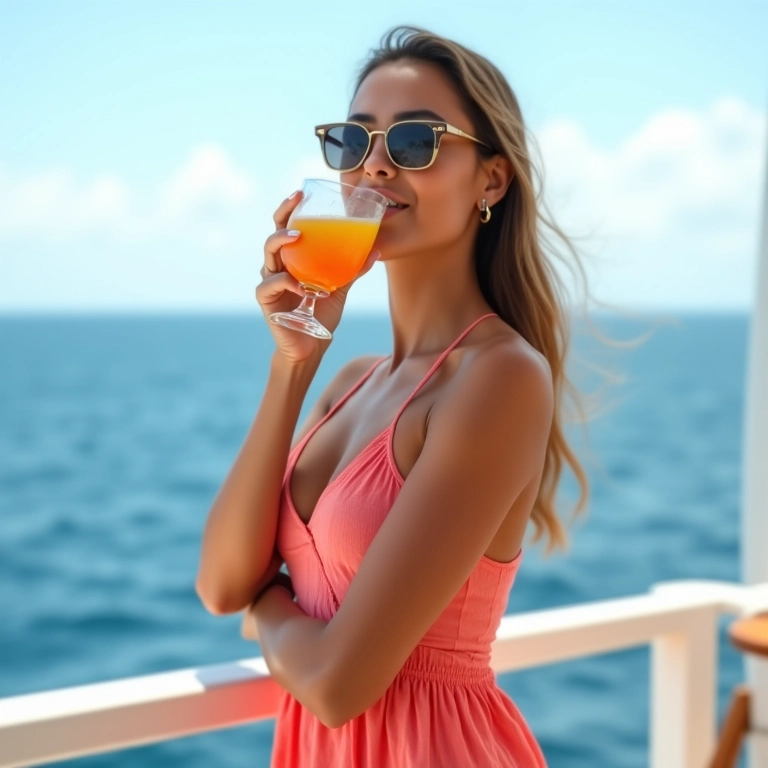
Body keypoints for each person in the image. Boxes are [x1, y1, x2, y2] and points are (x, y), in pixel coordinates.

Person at [196, 25, 591, 767]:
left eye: (415, 141)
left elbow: (336, 683)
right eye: (355, 141)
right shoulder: (350, 382)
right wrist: (295, 363)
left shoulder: (500, 377)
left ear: (491, 181)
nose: (375, 165)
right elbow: (220, 583)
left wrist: (268, 609)